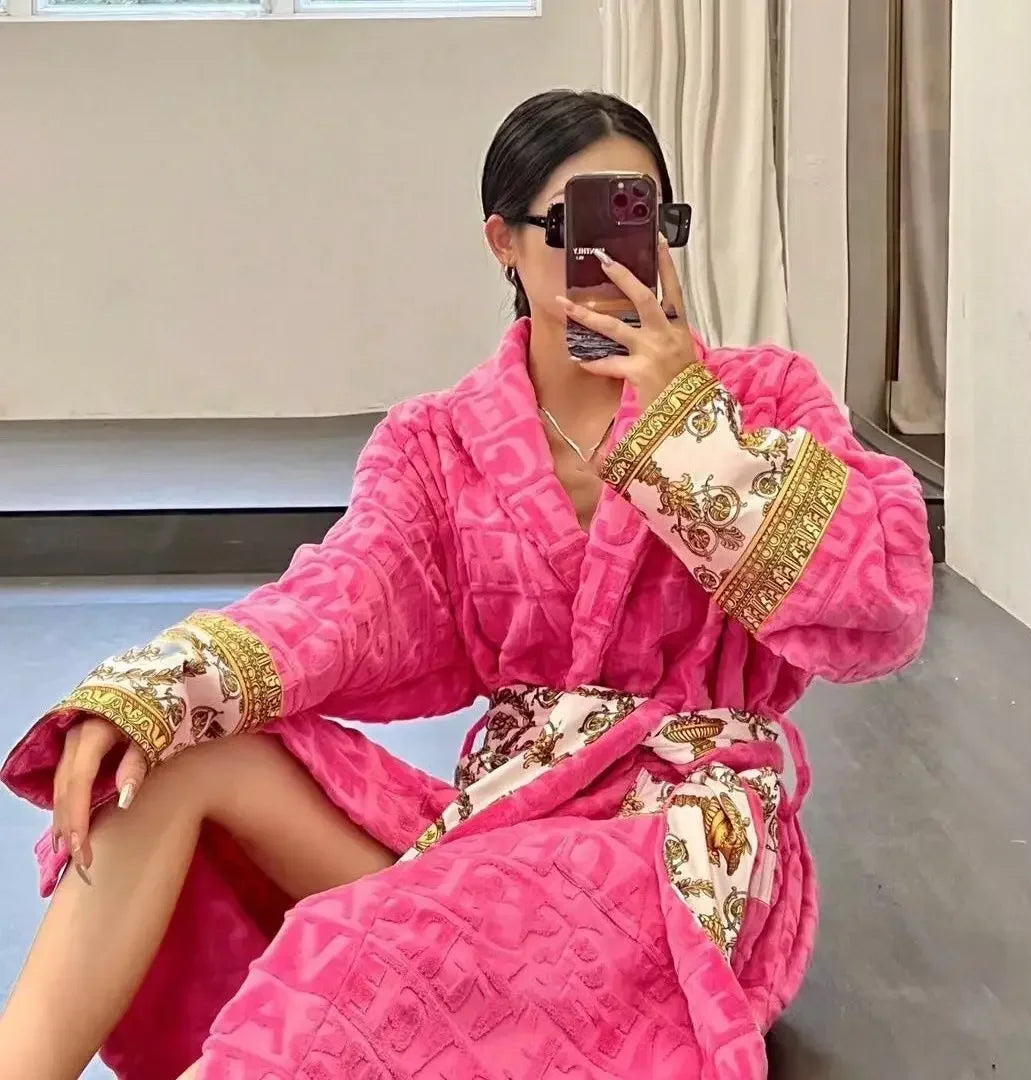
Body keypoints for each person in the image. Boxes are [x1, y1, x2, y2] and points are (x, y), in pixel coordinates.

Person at [0, 90, 933, 1080]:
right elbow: (345, 597)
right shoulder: (439, 444)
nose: (620, 256)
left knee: (348, 957)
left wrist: (695, 435)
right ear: (504, 243)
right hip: (505, 815)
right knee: (170, 760)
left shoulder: (762, 398)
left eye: (646, 219)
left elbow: (883, 595)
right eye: (578, 225)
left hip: (677, 845)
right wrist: (160, 689)